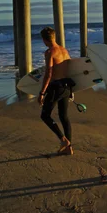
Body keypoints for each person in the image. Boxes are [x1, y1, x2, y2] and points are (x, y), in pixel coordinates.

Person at [38, 27, 74, 155]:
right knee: (64, 116)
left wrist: (42, 92)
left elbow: (48, 74)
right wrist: (71, 90)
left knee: (45, 115)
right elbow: (70, 69)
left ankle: (63, 140)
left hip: (55, 87)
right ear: (54, 37)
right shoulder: (64, 51)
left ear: (44, 40)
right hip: (66, 86)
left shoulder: (49, 52)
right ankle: (69, 148)